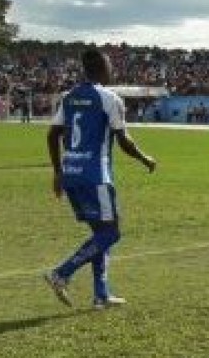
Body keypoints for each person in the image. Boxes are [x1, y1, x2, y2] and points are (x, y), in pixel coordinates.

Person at [43, 48, 156, 310]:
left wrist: (58, 172)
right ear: (101, 68)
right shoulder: (109, 98)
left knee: (99, 235)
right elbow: (124, 140)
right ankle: (61, 273)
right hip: (96, 175)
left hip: (72, 175)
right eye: (109, 65)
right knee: (111, 232)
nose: (111, 69)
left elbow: (52, 135)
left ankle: (101, 295)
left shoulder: (68, 97)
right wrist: (144, 158)